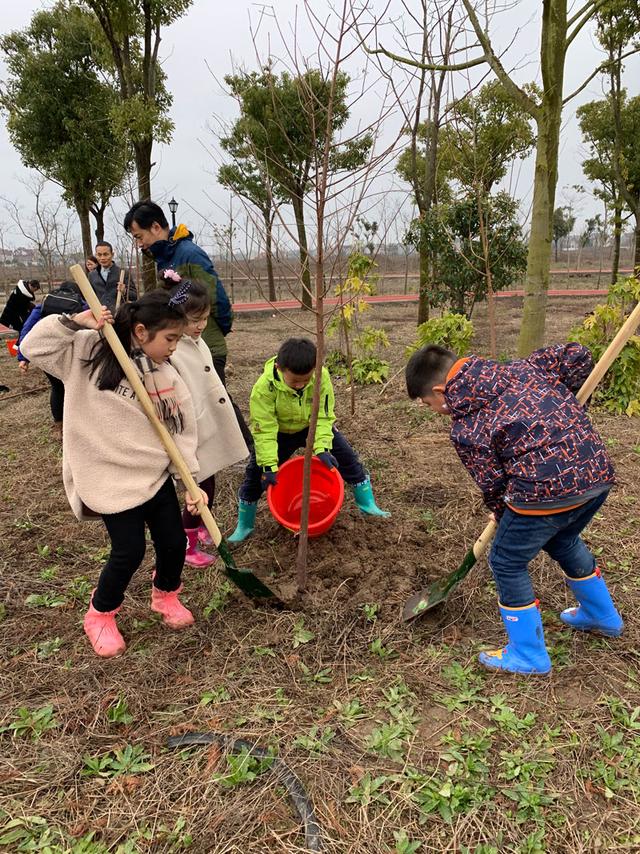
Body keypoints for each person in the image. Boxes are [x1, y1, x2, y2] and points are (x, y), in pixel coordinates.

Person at [405, 343, 622, 675]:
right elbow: (577, 354)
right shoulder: (525, 367)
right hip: (595, 475)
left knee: (506, 560)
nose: (432, 409)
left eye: (428, 403)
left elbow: (492, 482)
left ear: (440, 391)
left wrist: (502, 508)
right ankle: (602, 616)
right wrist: (571, 407)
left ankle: (528, 654)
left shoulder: (467, 427)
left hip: (545, 494)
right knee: (562, 540)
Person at [20, 289, 206, 659]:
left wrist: (191, 482)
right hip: (107, 476)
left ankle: (166, 595)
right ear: (140, 331)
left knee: (173, 543)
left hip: (152, 476)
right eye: (170, 339)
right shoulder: (88, 350)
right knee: (129, 550)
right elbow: (32, 346)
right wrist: (76, 323)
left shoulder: (167, 375)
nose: (174, 347)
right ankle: (100, 614)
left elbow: (182, 430)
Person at [228, 337, 389, 543]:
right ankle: (245, 524)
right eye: (295, 381)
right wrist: (269, 465)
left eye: (306, 379)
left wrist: (321, 447)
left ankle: (367, 505)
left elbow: (323, 414)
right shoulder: (264, 388)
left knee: (347, 458)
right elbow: (264, 429)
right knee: (256, 474)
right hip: (279, 433)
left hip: (310, 427)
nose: (301, 385)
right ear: (279, 368)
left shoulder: (321, 377)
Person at [123, 200, 252, 447]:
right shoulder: (166, 258)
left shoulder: (188, 254)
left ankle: (246, 447)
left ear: (156, 227)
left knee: (218, 397)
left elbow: (216, 296)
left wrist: (218, 329)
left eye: (140, 236)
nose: (140, 244)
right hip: (187, 343)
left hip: (206, 343)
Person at [162, 274, 249, 566]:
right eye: (194, 319)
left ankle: (200, 528)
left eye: (205, 318)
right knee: (196, 487)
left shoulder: (197, 342)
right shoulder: (174, 350)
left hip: (207, 422)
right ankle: (188, 542)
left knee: (208, 479)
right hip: (191, 428)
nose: (200, 325)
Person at [16, 281, 85, 437]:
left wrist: (23, 357)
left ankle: (59, 427)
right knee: (74, 387)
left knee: (57, 388)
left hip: (48, 353)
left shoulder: (46, 302)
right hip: (70, 353)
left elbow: (27, 328)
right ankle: (76, 425)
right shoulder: (80, 303)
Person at [88, 241, 136, 311]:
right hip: (101, 315)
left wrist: (124, 291)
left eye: (106, 254)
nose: (102, 258)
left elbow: (135, 296)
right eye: (99, 255)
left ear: (112, 254)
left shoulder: (123, 273)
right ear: (96, 255)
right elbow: (90, 297)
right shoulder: (92, 275)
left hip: (120, 315)